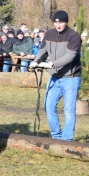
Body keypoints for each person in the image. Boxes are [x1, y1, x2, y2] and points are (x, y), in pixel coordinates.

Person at [30, 10, 81, 141]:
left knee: (69, 110)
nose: (58, 25)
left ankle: (67, 139)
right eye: (56, 22)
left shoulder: (74, 36)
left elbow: (71, 56)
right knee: (49, 106)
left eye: (61, 22)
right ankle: (56, 135)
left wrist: (53, 64)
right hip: (55, 77)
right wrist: (36, 62)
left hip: (71, 77)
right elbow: (43, 51)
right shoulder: (49, 34)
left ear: (66, 22)